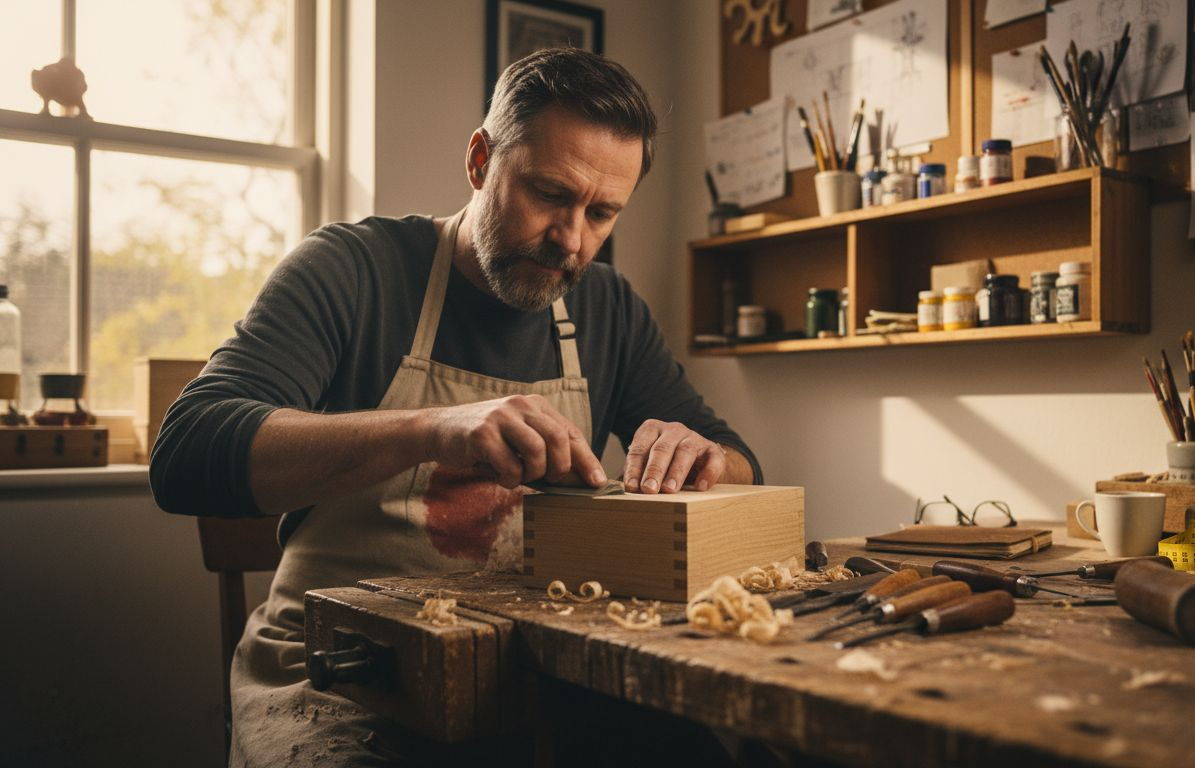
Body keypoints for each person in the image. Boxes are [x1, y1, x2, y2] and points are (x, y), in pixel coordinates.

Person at [150, 48, 760, 765]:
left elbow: (742, 460)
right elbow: (186, 454)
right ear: (480, 161)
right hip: (346, 672)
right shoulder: (352, 270)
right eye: (549, 194)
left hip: (539, 669)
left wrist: (704, 457)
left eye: (602, 214)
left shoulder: (609, 307)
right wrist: (429, 428)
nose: (571, 240)